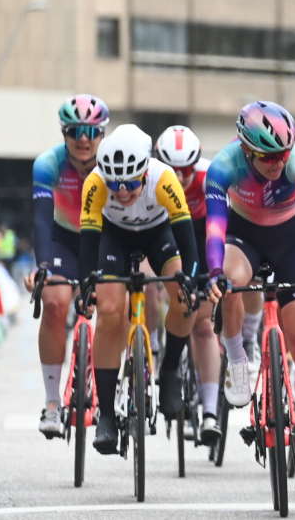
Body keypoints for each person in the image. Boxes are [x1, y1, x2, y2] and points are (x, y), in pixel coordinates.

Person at [204, 101, 295, 482]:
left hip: (292, 240)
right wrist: (214, 272)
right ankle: (237, 359)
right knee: (229, 279)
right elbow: (215, 229)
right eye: (267, 156)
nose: (277, 163)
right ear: (246, 148)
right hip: (245, 236)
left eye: (282, 154)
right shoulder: (224, 166)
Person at [78, 125, 201, 454]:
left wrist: (189, 278)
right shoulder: (95, 183)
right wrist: (86, 283)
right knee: (107, 313)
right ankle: (106, 415)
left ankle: (171, 368)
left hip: (158, 234)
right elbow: (89, 241)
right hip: (113, 237)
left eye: (131, 183)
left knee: (185, 299)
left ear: (144, 173)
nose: (122, 192)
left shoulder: (164, 178)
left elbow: (187, 238)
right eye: (115, 184)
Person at [24, 95, 108, 438]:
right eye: (75, 131)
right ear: (64, 134)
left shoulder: (113, 161)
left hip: (104, 238)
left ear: (103, 133)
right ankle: (52, 403)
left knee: (117, 304)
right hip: (62, 239)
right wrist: (42, 265)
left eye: (91, 131)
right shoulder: (48, 164)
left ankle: (122, 383)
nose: (83, 139)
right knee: (55, 302)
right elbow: (42, 222)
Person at [155, 125, 222, 445]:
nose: (180, 178)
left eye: (186, 170)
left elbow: (218, 229)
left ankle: (210, 411)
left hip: (201, 234)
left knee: (204, 325)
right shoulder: (151, 177)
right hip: (164, 234)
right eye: (173, 171)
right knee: (147, 287)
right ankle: (154, 346)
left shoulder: (210, 176)